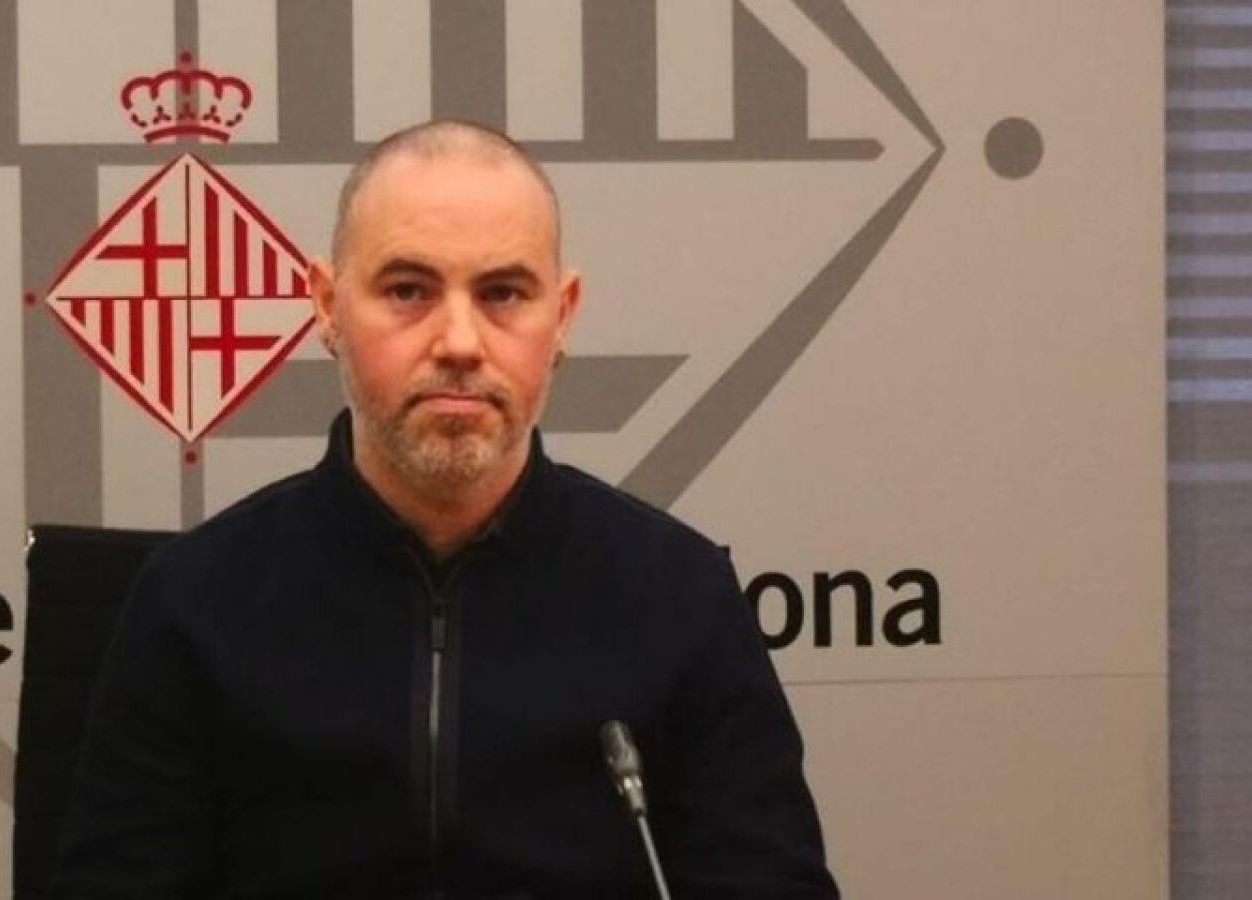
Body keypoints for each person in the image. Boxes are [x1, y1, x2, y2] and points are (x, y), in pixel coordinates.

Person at [52, 120, 839, 899]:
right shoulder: (195, 602)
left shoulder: (680, 597)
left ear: (561, 316)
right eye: (407, 291)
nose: (459, 341)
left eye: (502, 294)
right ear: (326, 307)